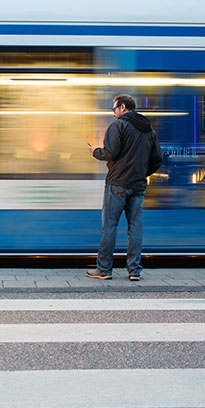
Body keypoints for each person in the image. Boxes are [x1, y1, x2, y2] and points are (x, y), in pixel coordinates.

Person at [86, 94, 163, 281]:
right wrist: (142, 173)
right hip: (138, 185)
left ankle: (104, 269)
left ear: (121, 107)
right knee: (135, 226)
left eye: (114, 110)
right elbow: (158, 159)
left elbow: (110, 153)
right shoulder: (149, 130)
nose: (113, 114)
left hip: (118, 183)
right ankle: (134, 271)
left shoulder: (118, 126)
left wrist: (95, 151)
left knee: (110, 226)